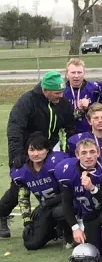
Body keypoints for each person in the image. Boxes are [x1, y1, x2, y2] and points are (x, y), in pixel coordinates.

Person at [3, 72, 75, 237]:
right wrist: (17, 154)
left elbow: (69, 128)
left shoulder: (63, 103)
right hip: (25, 150)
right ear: (45, 90)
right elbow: (15, 128)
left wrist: (70, 151)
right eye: (57, 93)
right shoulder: (27, 101)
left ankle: (59, 222)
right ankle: (2, 214)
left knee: (56, 182)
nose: (60, 96)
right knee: (18, 187)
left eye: (62, 92)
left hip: (48, 149)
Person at [55, 138, 102, 262]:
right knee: (96, 250)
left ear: (98, 153)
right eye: (84, 153)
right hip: (89, 215)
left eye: (92, 152)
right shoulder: (67, 172)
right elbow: (66, 203)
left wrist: (93, 188)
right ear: (77, 155)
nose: (88, 156)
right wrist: (75, 228)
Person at [2, 133, 70, 250]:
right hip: (46, 208)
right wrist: (27, 221)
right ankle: (58, 232)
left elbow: (68, 193)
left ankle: (70, 235)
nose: (36, 154)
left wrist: (46, 204)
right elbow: (23, 197)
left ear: (47, 150)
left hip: (67, 204)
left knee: (59, 212)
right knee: (31, 243)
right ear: (27, 152)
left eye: (40, 149)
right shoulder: (23, 171)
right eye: (32, 150)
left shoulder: (56, 163)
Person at [63, 58, 102, 134]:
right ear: (67, 75)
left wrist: (89, 107)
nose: (76, 76)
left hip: (90, 132)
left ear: (84, 73)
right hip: (68, 133)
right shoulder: (61, 91)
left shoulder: (94, 89)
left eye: (79, 72)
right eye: (73, 72)